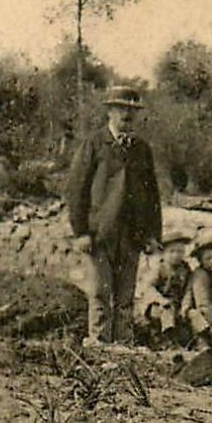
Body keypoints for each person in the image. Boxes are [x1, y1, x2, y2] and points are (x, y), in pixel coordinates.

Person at [65, 85, 163, 346]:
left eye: (132, 110)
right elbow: (76, 190)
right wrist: (81, 232)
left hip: (132, 234)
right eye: (121, 109)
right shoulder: (94, 144)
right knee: (99, 292)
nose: (127, 116)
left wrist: (153, 234)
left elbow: (152, 194)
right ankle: (99, 343)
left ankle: (123, 344)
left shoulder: (142, 149)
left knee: (125, 295)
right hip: (101, 233)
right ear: (110, 111)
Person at [141, 230, 193, 348]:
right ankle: (166, 341)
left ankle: (181, 340)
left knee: (183, 324)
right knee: (166, 311)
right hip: (158, 305)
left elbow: (188, 290)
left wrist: (185, 305)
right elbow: (149, 287)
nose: (176, 255)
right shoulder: (160, 267)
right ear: (164, 253)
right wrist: (161, 300)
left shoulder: (185, 269)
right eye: (172, 251)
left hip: (177, 303)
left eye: (180, 251)